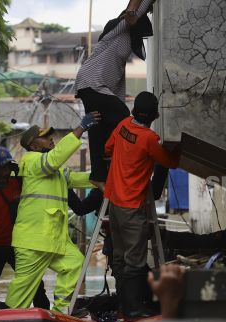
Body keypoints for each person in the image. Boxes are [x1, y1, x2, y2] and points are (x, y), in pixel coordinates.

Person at [5, 112, 100, 313]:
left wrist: (103, 175)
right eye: (45, 137)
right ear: (33, 145)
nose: (51, 139)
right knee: (22, 291)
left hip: (53, 239)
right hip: (33, 241)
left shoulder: (53, 170)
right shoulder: (31, 161)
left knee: (75, 264)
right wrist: (79, 129)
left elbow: (77, 177)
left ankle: (62, 311)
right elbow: (54, 160)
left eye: (51, 136)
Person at [104, 91, 180, 319]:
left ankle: (122, 305)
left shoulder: (123, 125)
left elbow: (108, 149)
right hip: (131, 206)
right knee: (135, 261)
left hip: (114, 203)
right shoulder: (149, 138)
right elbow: (170, 162)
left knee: (119, 257)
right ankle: (133, 309)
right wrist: (178, 147)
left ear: (134, 110)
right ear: (155, 114)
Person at [75, 0, 156, 190]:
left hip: (95, 86)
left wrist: (118, 101)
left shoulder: (124, 48)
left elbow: (117, 83)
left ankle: (98, 175)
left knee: (97, 125)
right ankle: (120, 157)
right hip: (91, 82)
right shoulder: (121, 27)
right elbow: (134, 10)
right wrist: (144, 4)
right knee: (121, 115)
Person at [0, 147, 51, 309]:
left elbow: (36, 188)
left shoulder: (18, 184)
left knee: (35, 285)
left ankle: (44, 315)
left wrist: (20, 175)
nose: (5, 171)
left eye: (8, 166)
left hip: (19, 245)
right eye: (2, 167)